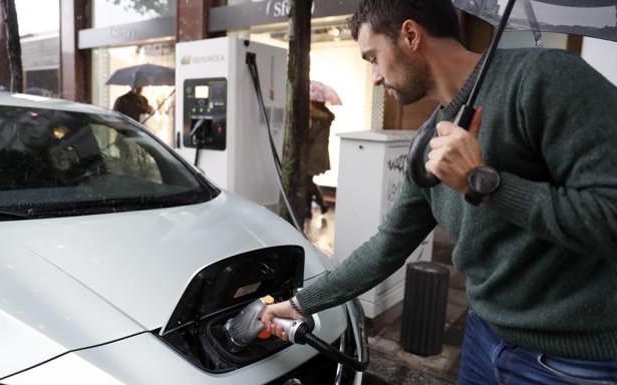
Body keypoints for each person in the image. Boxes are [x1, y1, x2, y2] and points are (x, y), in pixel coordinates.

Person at [262, 0, 617, 383]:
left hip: (571, 362)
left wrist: (484, 183)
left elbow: (609, 216)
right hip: (483, 339)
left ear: (411, 36)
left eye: (372, 58)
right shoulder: (429, 139)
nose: (376, 78)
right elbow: (386, 246)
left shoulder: (545, 78)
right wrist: (301, 303)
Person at [305, 99, 334, 219]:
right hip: (319, 154)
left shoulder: (318, 118)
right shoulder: (326, 116)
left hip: (313, 154)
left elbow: (310, 137)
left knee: (307, 181)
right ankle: (310, 208)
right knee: (308, 181)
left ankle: (321, 203)